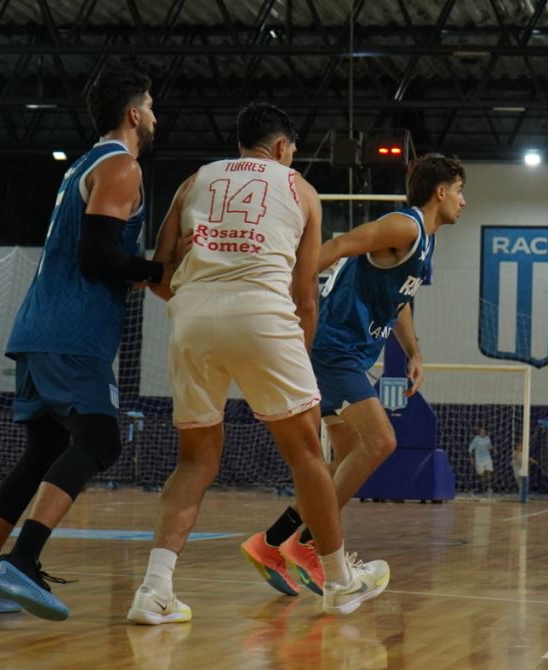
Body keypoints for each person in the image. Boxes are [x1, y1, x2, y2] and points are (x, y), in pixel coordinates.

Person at [126, 103, 387, 624]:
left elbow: (159, 273)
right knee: (306, 456)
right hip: (264, 316)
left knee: (195, 461)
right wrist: (299, 351)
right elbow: (305, 293)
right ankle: (339, 581)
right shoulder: (301, 190)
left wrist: (198, 302)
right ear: (283, 147)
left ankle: (154, 590)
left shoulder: (195, 181)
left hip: (193, 318)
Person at [0, 68, 178, 620]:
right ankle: (22, 561)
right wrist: (158, 270)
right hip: (72, 332)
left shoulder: (83, 165)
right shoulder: (122, 166)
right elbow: (97, 257)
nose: (155, 116)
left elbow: (94, 252)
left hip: (40, 327)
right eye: (150, 106)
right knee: (99, 440)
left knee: (43, 451)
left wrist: (141, 271)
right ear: (134, 114)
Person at [240, 153, 465, 597]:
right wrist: (286, 289)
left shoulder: (425, 243)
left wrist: (414, 350)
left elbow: (398, 300)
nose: (463, 200)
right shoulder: (405, 226)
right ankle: (310, 543)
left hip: (349, 355)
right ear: (440, 192)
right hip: (333, 349)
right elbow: (341, 244)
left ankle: (270, 543)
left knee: (345, 458)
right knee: (381, 442)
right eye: (459, 191)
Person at [469, 427, 494, 493]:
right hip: (479, 458)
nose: (483, 433)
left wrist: (493, 449)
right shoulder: (476, 439)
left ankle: (489, 487)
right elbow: (470, 449)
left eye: (484, 431)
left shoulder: (487, 438)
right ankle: (483, 487)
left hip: (487, 457)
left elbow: (489, 446)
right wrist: (471, 458)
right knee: (482, 474)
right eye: (482, 431)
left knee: (489, 471)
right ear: (479, 432)